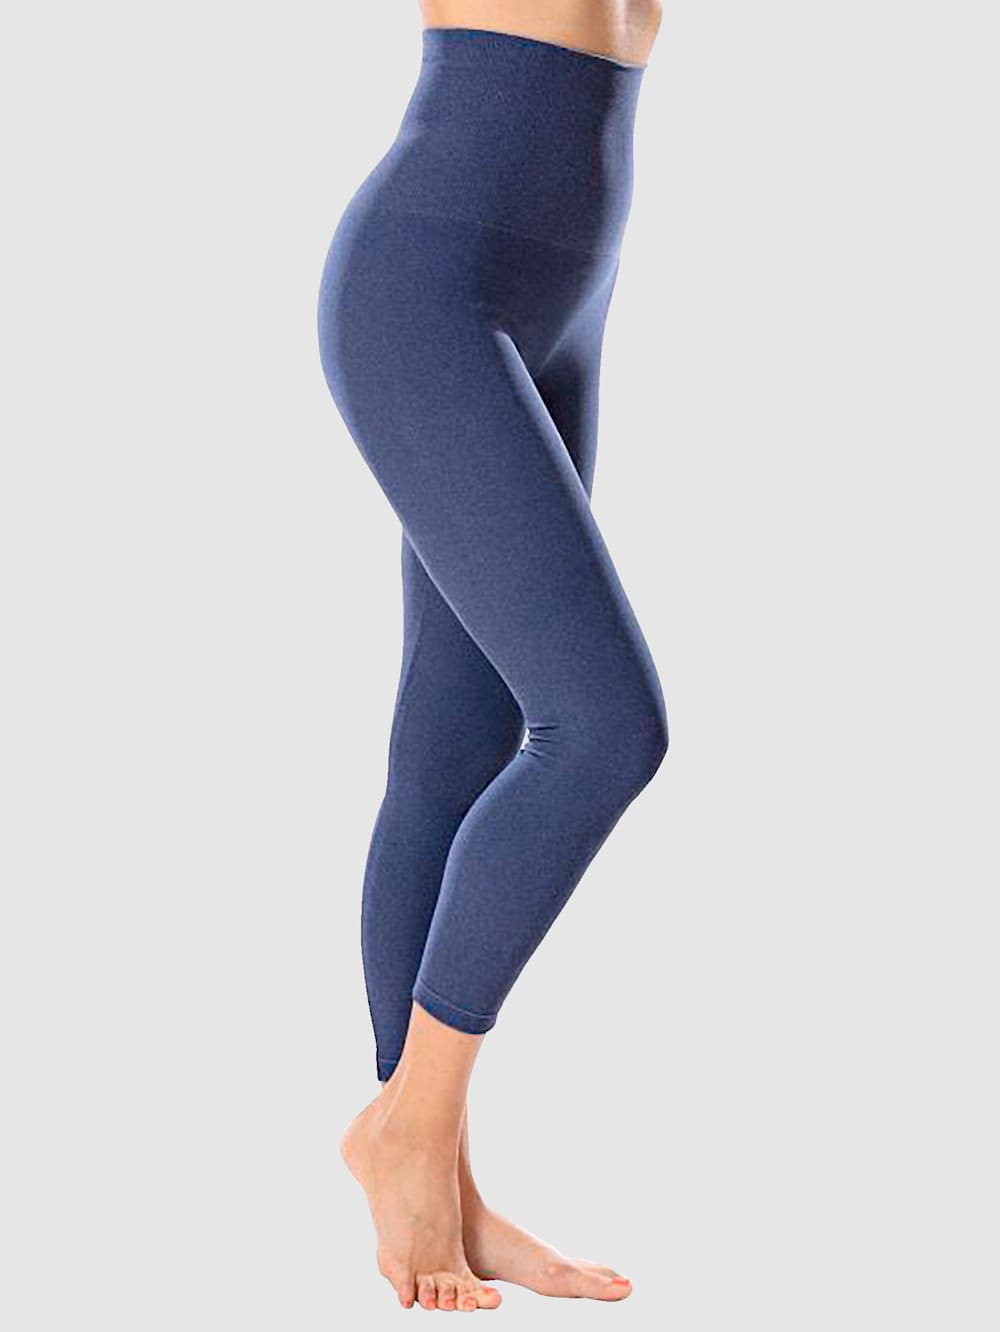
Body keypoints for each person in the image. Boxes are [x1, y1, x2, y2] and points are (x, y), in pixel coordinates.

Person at [317, 1, 666, 1312]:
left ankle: (443, 1187)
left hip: (564, 288)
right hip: (434, 276)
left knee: (456, 741)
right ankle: (408, 1129)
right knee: (604, 730)